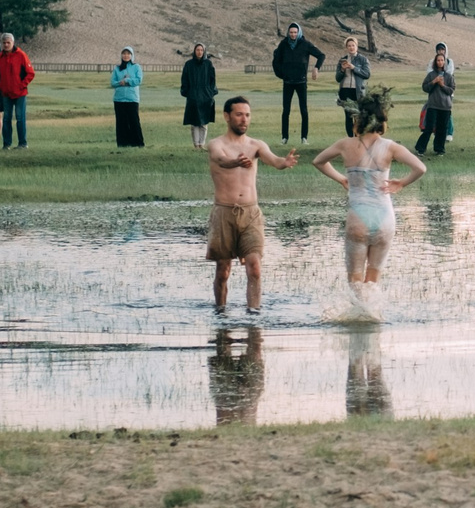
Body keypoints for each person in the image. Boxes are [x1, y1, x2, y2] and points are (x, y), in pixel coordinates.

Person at [312, 90, 428, 298]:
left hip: (358, 217)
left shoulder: (345, 144)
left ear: (359, 118)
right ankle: (372, 313)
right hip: (385, 218)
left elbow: (318, 161)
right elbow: (420, 168)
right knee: (373, 280)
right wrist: (401, 183)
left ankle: (359, 314)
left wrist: (341, 179)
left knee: (355, 280)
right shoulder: (390, 147)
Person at [203, 95, 298, 313]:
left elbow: (274, 160)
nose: (244, 119)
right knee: (223, 271)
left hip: (251, 213)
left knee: (254, 267)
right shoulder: (216, 144)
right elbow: (221, 160)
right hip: (224, 213)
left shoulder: (256, 145)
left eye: (247, 115)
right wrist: (235, 161)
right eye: (239, 115)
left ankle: (254, 315)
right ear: (227, 116)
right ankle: (220, 313)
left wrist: (284, 162)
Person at [272, 22, 324, 141]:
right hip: (288, 82)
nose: (293, 35)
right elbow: (276, 60)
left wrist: (316, 68)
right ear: (288, 33)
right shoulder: (284, 44)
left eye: (295, 32)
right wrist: (282, 74)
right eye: (291, 32)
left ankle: (304, 137)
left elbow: (321, 55)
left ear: (299, 32)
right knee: (286, 111)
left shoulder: (305, 44)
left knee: (303, 110)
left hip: (301, 82)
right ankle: (284, 137)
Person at [0, 32, 34, 147]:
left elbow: (30, 73)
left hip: (20, 93)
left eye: (8, 42)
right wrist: (0, 86)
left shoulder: (21, 55)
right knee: (6, 118)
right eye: (4, 43)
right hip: (6, 93)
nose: (6, 45)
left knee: (20, 118)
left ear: (13, 42)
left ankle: (22, 143)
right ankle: (6, 144)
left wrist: (21, 85)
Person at [415, 48, 454, 154]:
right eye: (438, 60)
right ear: (435, 62)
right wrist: (433, 82)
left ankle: (439, 149)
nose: (440, 62)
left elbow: (451, 90)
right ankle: (420, 148)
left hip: (445, 106)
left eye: (442, 60)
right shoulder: (431, 75)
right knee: (429, 128)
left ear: (444, 62)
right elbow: (425, 88)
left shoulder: (449, 76)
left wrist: (442, 85)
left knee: (442, 129)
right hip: (433, 106)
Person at [181, 42, 217, 145]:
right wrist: (187, 92)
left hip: (206, 96)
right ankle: (196, 144)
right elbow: (184, 79)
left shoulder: (208, 64)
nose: (199, 52)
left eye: (201, 50)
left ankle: (202, 143)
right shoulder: (189, 64)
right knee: (194, 122)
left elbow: (212, 80)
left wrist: (210, 92)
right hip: (193, 96)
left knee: (204, 122)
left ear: (204, 51)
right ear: (194, 51)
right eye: (198, 50)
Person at [333, 36, 369, 136]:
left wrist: (354, 68)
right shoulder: (342, 60)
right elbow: (337, 78)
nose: (351, 47)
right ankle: (350, 138)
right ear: (346, 47)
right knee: (348, 116)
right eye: (349, 46)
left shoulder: (363, 59)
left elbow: (367, 74)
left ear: (357, 46)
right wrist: (342, 70)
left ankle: (357, 137)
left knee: (357, 115)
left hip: (357, 91)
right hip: (345, 90)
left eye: (353, 45)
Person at [112, 47, 144, 146]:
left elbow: (138, 80)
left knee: (134, 121)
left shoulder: (136, 67)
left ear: (132, 55)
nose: (126, 56)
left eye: (128, 54)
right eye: (124, 53)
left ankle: (138, 143)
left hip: (132, 98)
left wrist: (127, 81)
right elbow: (113, 83)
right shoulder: (117, 68)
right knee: (121, 122)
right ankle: (123, 143)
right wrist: (120, 82)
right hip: (119, 99)